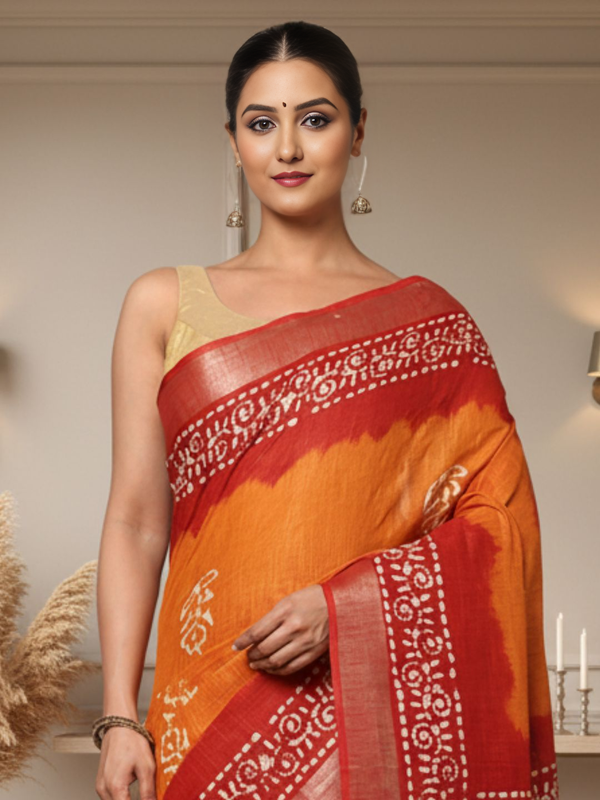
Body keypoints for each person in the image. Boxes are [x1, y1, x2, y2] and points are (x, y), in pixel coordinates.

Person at [93, 20, 559, 800]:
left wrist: (343, 608)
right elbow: (138, 521)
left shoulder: (431, 326)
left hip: (363, 720)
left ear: (357, 129)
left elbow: (500, 527)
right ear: (233, 141)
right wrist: (118, 718)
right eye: (260, 124)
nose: (287, 148)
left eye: (314, 118)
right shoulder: (165, 303)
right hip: (202, 711)